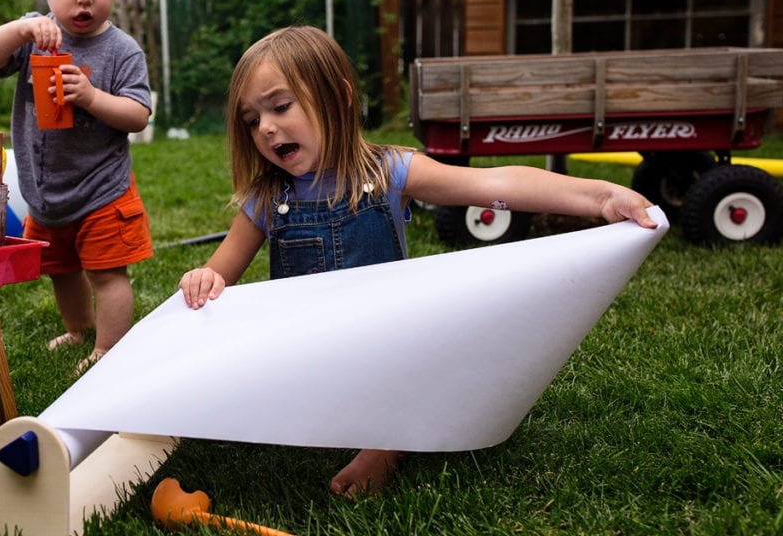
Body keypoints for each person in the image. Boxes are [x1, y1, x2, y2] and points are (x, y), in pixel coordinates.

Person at [178, 25, 657, 498]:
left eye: (280, 106)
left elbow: (495, 185)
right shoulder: (267, 199)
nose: (265, 127)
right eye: (250, 119)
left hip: (387, 343)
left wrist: (599, 195)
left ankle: (387, 443)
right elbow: (219, 275)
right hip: (310, 351)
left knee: (440, 349)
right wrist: (204, 277)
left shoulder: (390, 172)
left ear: (339, 97)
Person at [0, 0, 153, 375]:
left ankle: (109, 350)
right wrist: (21, 28)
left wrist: (92, 97)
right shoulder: (36, 37)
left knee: (107, 273)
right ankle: (78, 328)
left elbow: (137, 114)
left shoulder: (121, 51)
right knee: (62, 270)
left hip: (101, 192)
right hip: (47, 194)